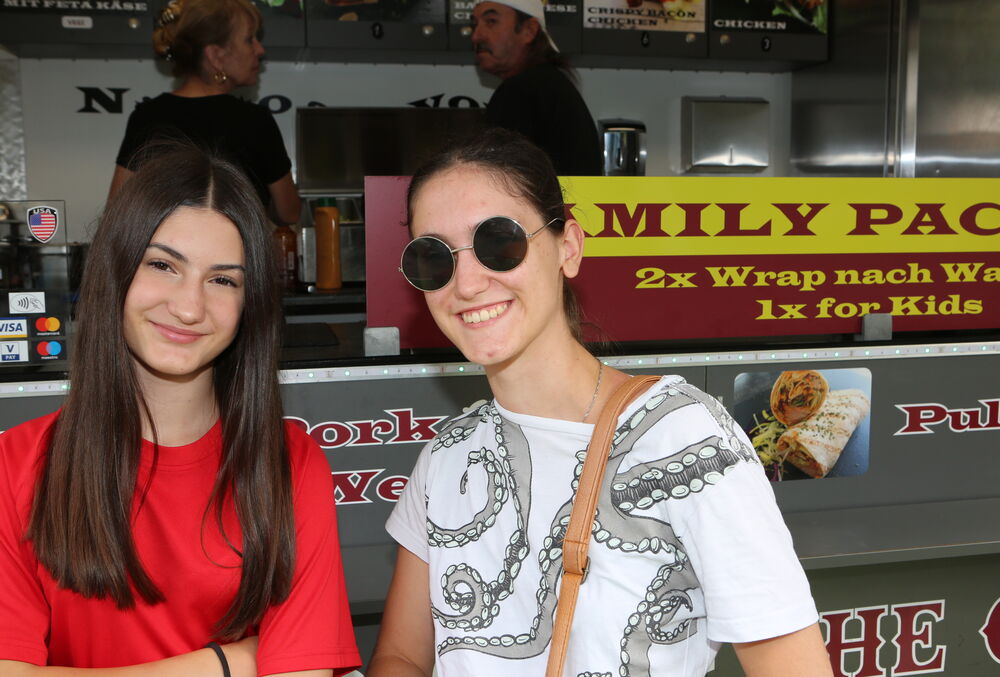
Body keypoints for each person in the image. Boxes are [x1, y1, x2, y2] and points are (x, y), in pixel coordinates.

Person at [366, 129, 834, 677]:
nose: (467, 283)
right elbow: (402, 657)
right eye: (434, 257)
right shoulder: (449, 455)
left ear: (568, 247)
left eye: (498, 243)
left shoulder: (683, 437)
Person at [0, 146, 360, 676]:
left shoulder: (291, 463)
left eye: (223, 280)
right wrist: (231, 662)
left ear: (249, 304)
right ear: (115, 270)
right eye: (163, 265)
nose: (189, 307)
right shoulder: (16, 464)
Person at [108, 0, 301, 226]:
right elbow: (289, 213)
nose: (260, 50)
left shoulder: (147, 117)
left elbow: (116, 210)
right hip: (234, 248)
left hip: (167, 248)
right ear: (215, 56)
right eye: (249, 39)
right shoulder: (255, 122)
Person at [471, 0, 603, 176]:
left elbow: (496, 179)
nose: (476, 36)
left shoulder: (521, 91)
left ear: (529, 30)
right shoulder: (548, 84)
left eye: (491, 21)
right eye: (474, 24)